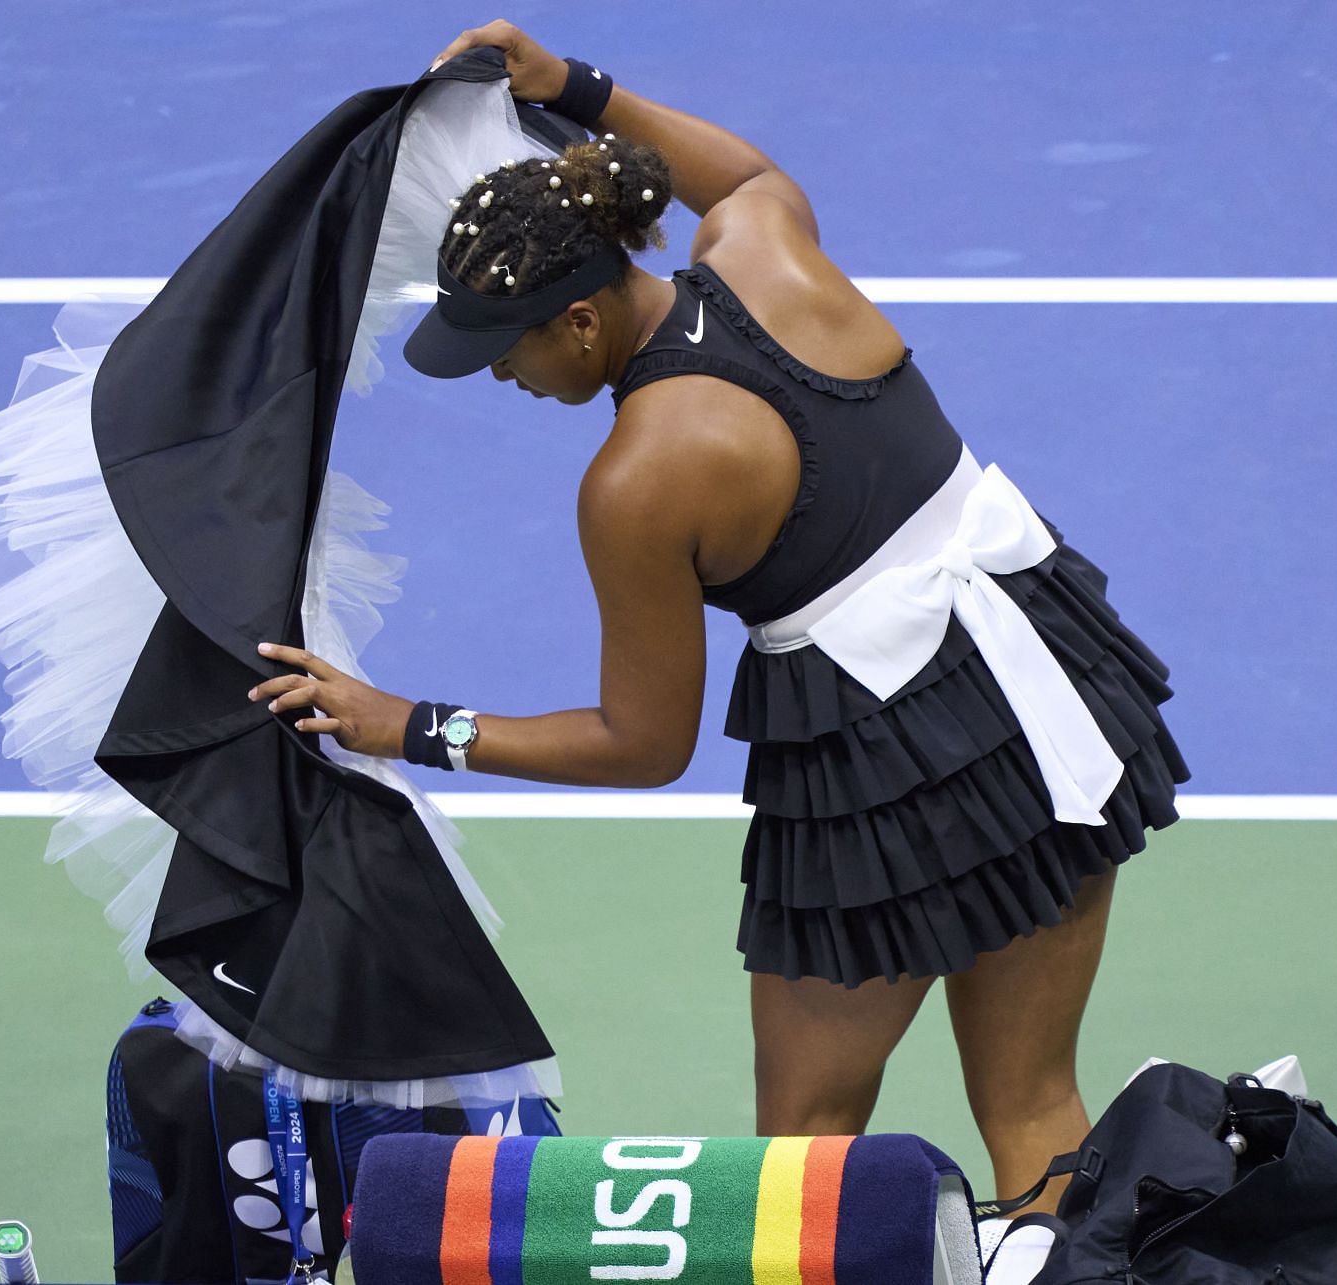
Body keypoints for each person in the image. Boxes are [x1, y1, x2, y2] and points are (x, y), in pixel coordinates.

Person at [247, 22, 1188, 1213]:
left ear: (581, 322)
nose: (501, 377)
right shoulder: (758, 243)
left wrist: (410, 726)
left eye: (505, 349)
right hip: (1047, 683)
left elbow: (644, 743)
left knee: (804, 1147)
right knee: (1035, 1110)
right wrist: (574, 85)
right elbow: (744, 174)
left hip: (887, 775)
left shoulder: (641, 480)